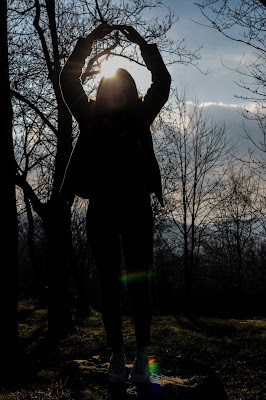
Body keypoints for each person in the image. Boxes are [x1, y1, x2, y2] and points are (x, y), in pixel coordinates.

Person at [59, 23, 171, 384]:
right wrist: (88, 43)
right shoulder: (89, 118)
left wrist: (143, 45)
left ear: (129, 92)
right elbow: (68, 81)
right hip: (102, 214)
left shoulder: (141, 116)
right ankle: (117, 355)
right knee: (109, 284)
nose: (114, 94)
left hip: (138, 212)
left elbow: (163, 82)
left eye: (120, 89)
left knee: (139, 285)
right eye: (109, 88)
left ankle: (141, 354)